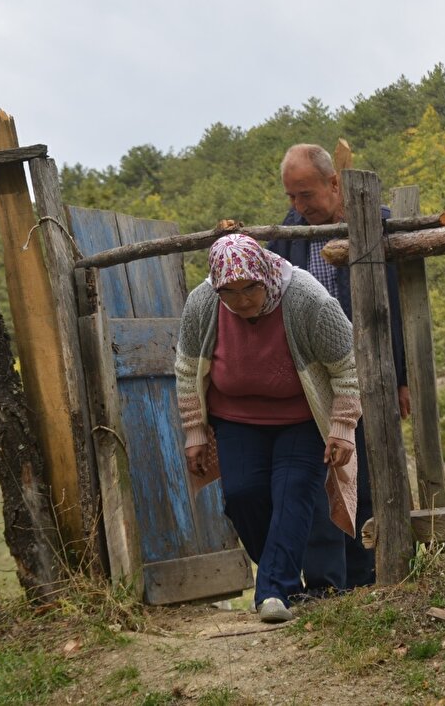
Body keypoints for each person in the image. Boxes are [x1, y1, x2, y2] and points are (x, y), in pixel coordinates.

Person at [175, 234, 362, 623]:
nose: (242, 301)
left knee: (292, 492)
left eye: (250, 290)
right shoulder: (203, 303)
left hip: (300, 418)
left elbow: (346, 366)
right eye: (230, 293)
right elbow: (187, 368)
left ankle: (274, 591)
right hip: (236, 418)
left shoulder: (307, 300)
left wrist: (342, 427)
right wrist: (194, 432)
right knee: (243, 496)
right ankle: (283, 576)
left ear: (264, 275)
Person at [267, 143, 410, 594]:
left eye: (306, 194)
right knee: (321, 473)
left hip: (368, 370)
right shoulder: (288, 236)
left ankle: (369, 575)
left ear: (334, 183)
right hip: (312, 379)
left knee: (366, 471)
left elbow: (394, 310)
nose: (298, 206)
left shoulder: (372, 224)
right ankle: (329, 583)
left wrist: (402, 378)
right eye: (291, 196)